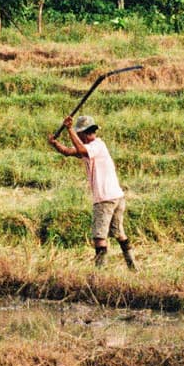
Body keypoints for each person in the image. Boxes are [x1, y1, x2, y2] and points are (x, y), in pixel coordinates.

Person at [47, 113, 135, 269]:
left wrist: (69, 130)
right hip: (117, 197)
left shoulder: (96, 146)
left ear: (82, 133)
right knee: (119, 233)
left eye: (79, 134)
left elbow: (80, 149)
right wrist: (55, 144)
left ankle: (99, 274)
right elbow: (69, 151)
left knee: (99, 237)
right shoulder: (91, 148)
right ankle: (133, 267)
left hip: (105, 199)